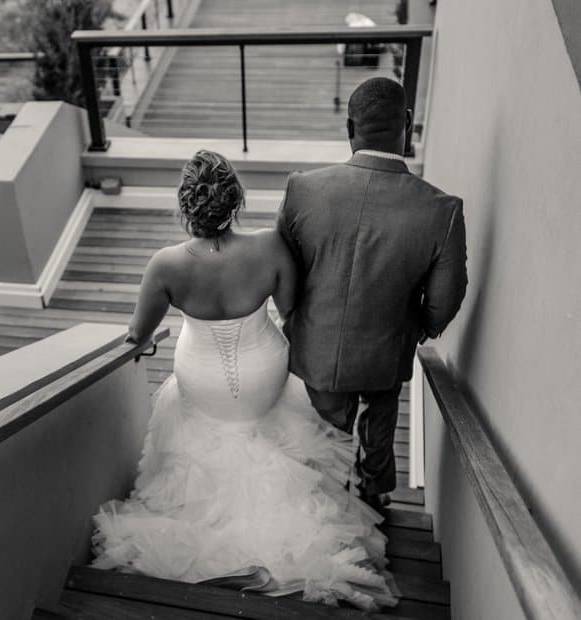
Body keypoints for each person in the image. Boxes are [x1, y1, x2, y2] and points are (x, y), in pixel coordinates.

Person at [91, 150, 398, 611]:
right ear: (234, 201)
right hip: (264, 374)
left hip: (202, 381)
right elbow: (292, 307)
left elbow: (138, 333)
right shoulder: (270, 247)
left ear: (185, 205)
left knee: (197, 441)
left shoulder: (165, 265)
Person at [277, 77, 467, 512]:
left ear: (349, 128)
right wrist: (417, 326)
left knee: (321, 442)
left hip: (314, 349)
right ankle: (375, 497)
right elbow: (446, 299)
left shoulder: (301, 188)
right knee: (379, 424)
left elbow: (281, 272)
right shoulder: (442, 209)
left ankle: (325, 505)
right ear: (407, 123)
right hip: (386, 350)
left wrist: (298, 319)